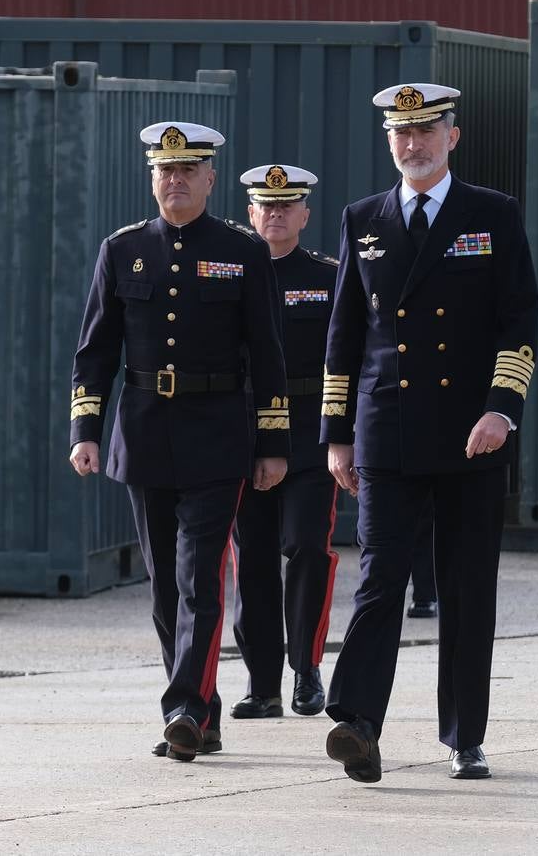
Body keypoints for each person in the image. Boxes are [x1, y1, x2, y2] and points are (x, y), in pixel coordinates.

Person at [319, 83, 538, 783]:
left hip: (471, 434)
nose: (411, 144)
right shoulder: (365, 219)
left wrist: (502, 409)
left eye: (424, 131)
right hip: (387, 428)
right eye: (399, 133)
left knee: (467, 589)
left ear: (453, 136)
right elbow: (344, 335)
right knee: (380, 578)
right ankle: (356, 722)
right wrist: (337, 433)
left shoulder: (492, 215)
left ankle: (463, 736)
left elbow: (518, 323)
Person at [69, 122, 289, 761]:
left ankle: (185, 707)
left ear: (210, 178)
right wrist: (86, 429)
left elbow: (268, 355)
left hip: (218, 434)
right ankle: (204, 710)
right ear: (152, 177)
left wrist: (273, 442)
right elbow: (95, 350)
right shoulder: (122, 249)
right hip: (142, 433)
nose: (175, 180)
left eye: (188, 170)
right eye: (165, 170)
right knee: (164, 581)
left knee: (200, 578)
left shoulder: (242, 251)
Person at [227, 164, 340, 720]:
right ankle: (262, 683)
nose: (274, 214)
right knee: (251, 562)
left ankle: (307, 668)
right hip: (243, 436)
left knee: (305, 549)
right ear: (250, 214)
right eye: (264, 206)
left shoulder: (328, 276)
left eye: (286, 205)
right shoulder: (229, 274)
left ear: (304, 215)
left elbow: (351, 357)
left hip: (309, 437)